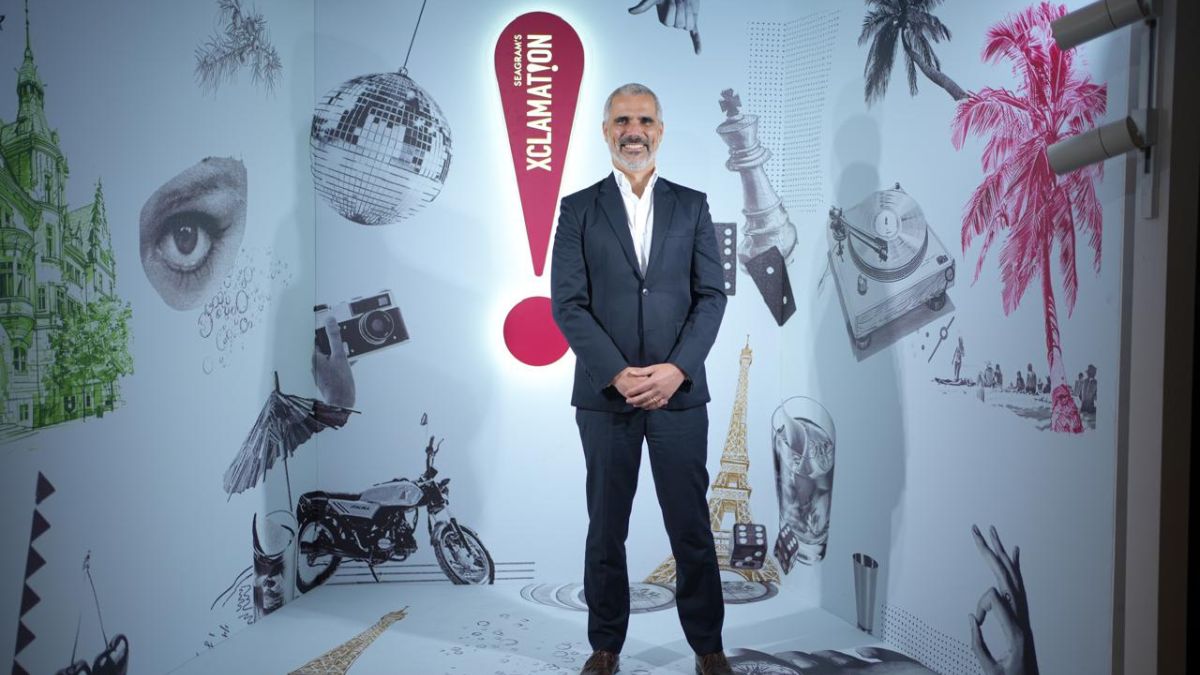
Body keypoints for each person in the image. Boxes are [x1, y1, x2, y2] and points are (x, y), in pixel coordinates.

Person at [551, 83, 731, 675]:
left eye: (645, 120)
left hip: (680, 396)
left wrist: (677, 369)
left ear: (661, 129)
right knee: (606, 530)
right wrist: (616, 373)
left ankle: (708, 648)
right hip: (607, 398)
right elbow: (568, 304)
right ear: (606, 130)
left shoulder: (693, 205)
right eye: (623, 120)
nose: (635, 130)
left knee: (692, 529)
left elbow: (711, 296)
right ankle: (605, 647)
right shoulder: (577, 209)